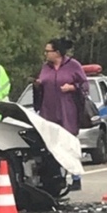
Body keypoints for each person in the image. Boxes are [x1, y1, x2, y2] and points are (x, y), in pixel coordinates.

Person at [34, 37, 88, 190]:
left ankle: (76, 178)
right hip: (48, 111)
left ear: (57, 52)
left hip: (67, 111)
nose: (46, 54)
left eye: (48, 51)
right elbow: (42, 81)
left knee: (69, 145)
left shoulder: (73, 65)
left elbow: (84, 84)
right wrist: (38, 84)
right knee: (51, 145)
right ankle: (57, 178)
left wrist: (72, 87)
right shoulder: (46, 67)